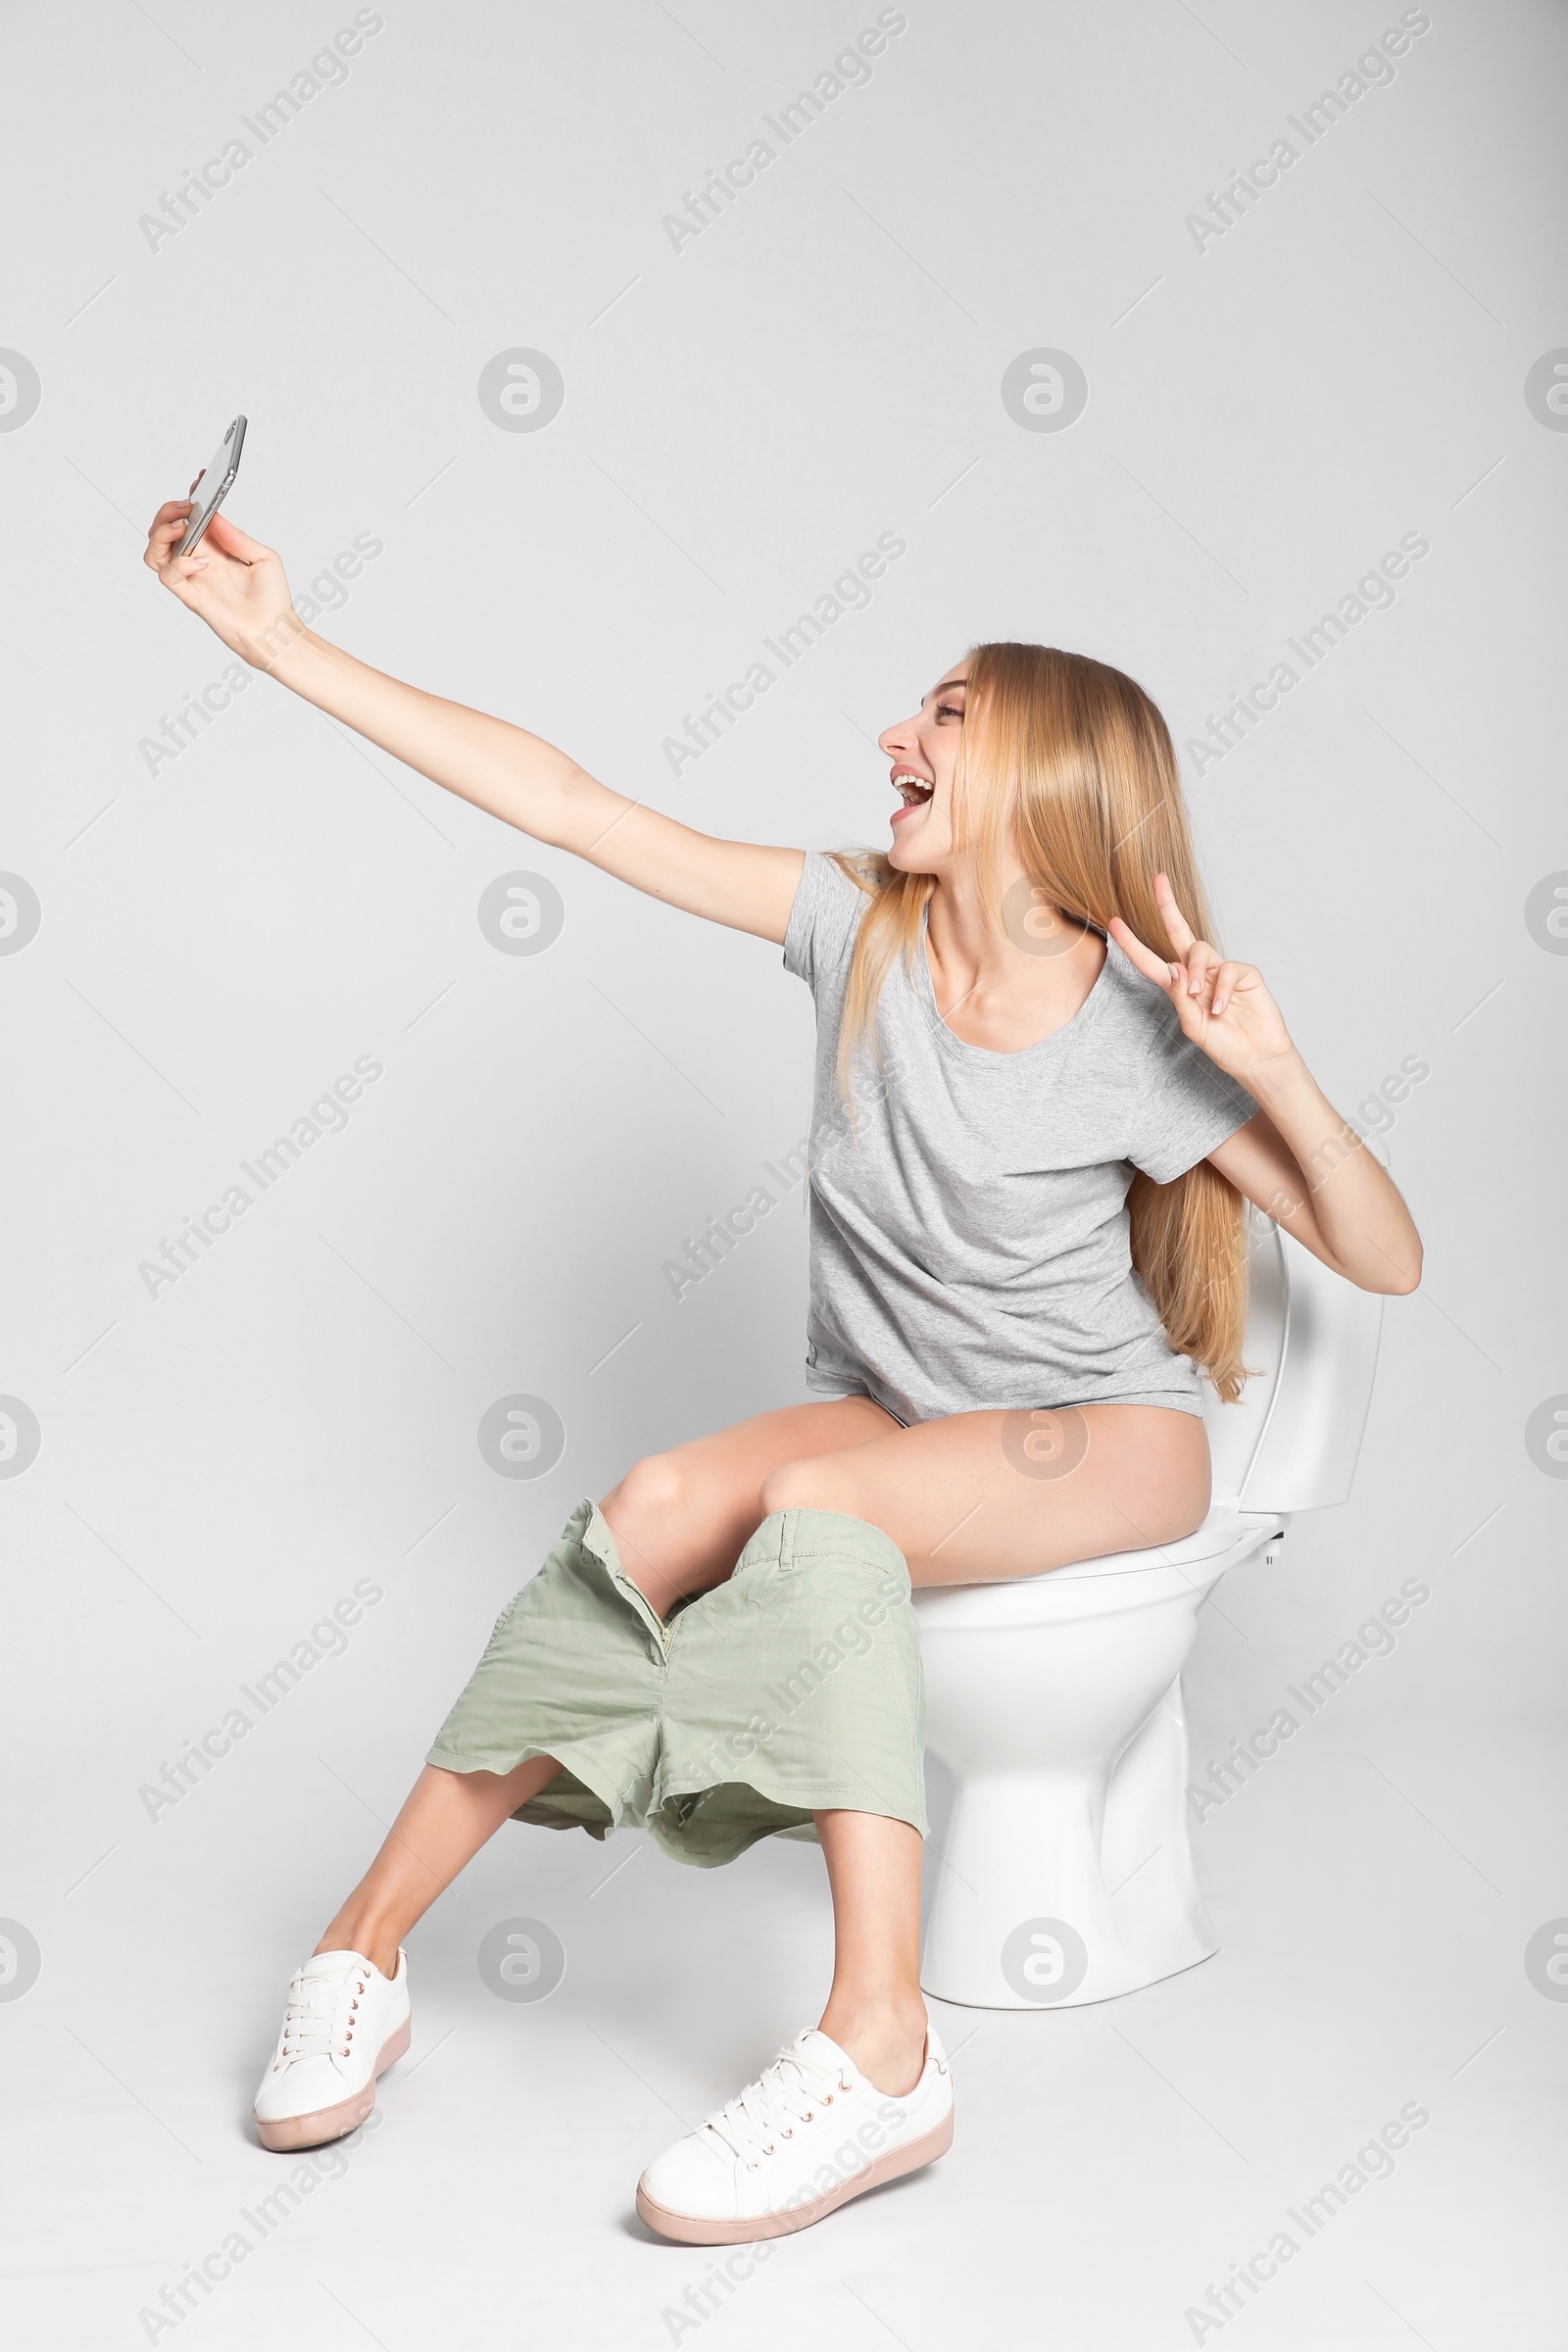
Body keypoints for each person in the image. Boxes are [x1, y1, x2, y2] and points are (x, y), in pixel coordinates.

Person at [143, 495, 1422, 2244]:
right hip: (916, 1415)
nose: (895, 734)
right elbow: (574, 804)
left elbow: (1385, 1255)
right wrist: (278, 643)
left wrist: (1274, 1070)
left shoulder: (1146, 1041)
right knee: (650, 1508)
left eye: (947, 718)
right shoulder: (855, 930)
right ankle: (359, 1954)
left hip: (1107, 1439)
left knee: (822, 1515)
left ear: (1046, 783)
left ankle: (879, 2049)